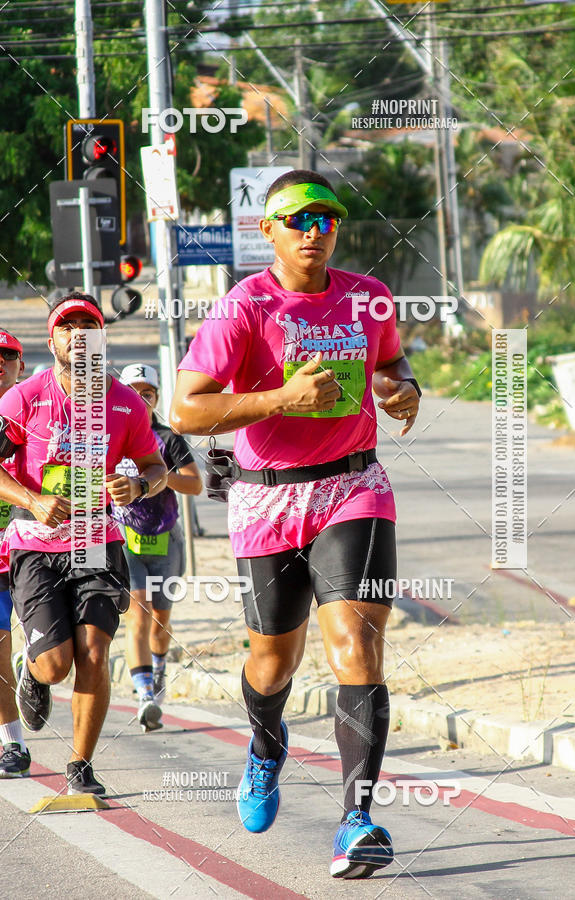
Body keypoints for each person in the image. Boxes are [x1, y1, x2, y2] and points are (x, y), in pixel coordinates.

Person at [170, 169, 421, 878]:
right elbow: (186, 411)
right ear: (268, 229)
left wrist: (403, 392)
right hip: (268, 498)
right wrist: (282, 395)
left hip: (354, 487)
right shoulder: (243, 307)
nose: (315, 231)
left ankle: (356, 820)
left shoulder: (368, 299)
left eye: (328, 218)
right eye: (299, 219)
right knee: (272, 662)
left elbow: (395, 365)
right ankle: (263, 746)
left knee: (356, 647)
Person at [0, 292, 167, 795]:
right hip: (36, 544)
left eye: (87, 326)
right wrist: (30, 499)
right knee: (54, 665)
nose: (78, 333)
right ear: (51, 340)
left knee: (94, 649)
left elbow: (157, 467)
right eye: (67, 326)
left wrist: (138, 485)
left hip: (99, 541)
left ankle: (80, 766)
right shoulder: (23, 399)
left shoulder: (126, 403)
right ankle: (31, 668)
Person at [112, 363, 202, 732]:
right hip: (126, 539)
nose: (140, 398)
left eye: (147, 393)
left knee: (160, 621)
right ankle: (145, 694)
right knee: (138, 614)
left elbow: (196, 485)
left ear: (156, 399)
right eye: (132, 390)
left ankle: (159, 666)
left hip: (167, 539)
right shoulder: (111, 435)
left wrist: (163, 479)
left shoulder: (169, 438)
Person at [0, 330, 31, 778]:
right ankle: (13, 743)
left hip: (36, 544)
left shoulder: (36, 407)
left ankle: (36, 665)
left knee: (53, 651)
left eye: (7, 356)